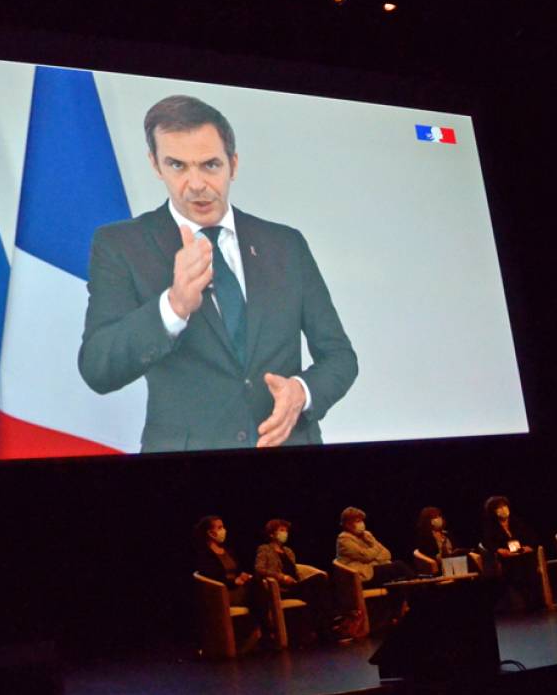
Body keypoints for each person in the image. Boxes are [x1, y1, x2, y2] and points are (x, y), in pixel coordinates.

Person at [78, 95, 359, 452]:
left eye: (210, 165)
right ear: (155, 165)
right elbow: (98, 368)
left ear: (233, 164)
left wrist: (301, 394)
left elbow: (340, 357)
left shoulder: (285, 244)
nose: (195, 184)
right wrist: (174, 306)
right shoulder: (120, 245)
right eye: (177, 166)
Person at [253, 519, 348, 643]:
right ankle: (329, 623)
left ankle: (326, 629)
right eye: (281, 530)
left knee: (320, 585)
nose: (285, 533)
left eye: (286, 530)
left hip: (295, 585)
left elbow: (296, 571)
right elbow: (259, 570)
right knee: (318, 585)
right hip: (281, 588)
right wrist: (281, 577)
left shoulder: (288, 551)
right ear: (271, 534)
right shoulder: (264, 549)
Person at [193, 515, 268, 620]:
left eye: (223, 527)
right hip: (224, 593)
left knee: (257, 585)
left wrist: (242, 575)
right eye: (219, 528)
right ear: (210, 533)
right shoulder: (205, 555)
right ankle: (267, 628)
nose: (224, 530)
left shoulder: (227, 550)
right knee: (258, 592)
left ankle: (264, 628)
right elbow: (213, 579)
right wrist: (234, 582)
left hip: (238, 589)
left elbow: (237, 569)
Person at [480, 495, 545, 611]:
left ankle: (536, 601)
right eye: (498, 508)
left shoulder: (517, 522)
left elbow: (533, 538)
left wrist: (529, 547)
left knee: (527, 563)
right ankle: (526, 602)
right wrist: (498, 550)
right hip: (506, 558)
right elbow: (487, 543)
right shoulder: (490, 526)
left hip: (522, 555)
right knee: (516, 566)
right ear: (493, 512)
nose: (503, 509)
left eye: (504, 506)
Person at [335, 507, 415, 587]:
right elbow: (365, 556)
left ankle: (414, 588)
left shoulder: (366, 535)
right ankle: (419, 587)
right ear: (347, 524)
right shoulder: (344, 539)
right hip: (361, 576)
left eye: (362, 520)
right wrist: (376, 549)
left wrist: (373, 556)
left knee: (398, 577)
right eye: (358, 521)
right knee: (399, 566)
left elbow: (387, 554)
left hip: (372, 570)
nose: (362, 523)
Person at [413, 506, 459, 573]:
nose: (439, 519)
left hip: (455, 563)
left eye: (439, 516)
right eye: (435, 517)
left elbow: (456, 549)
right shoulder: (425, 537)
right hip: (439, 566)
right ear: (428, 520)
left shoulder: (447, 534)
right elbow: (426, 555)